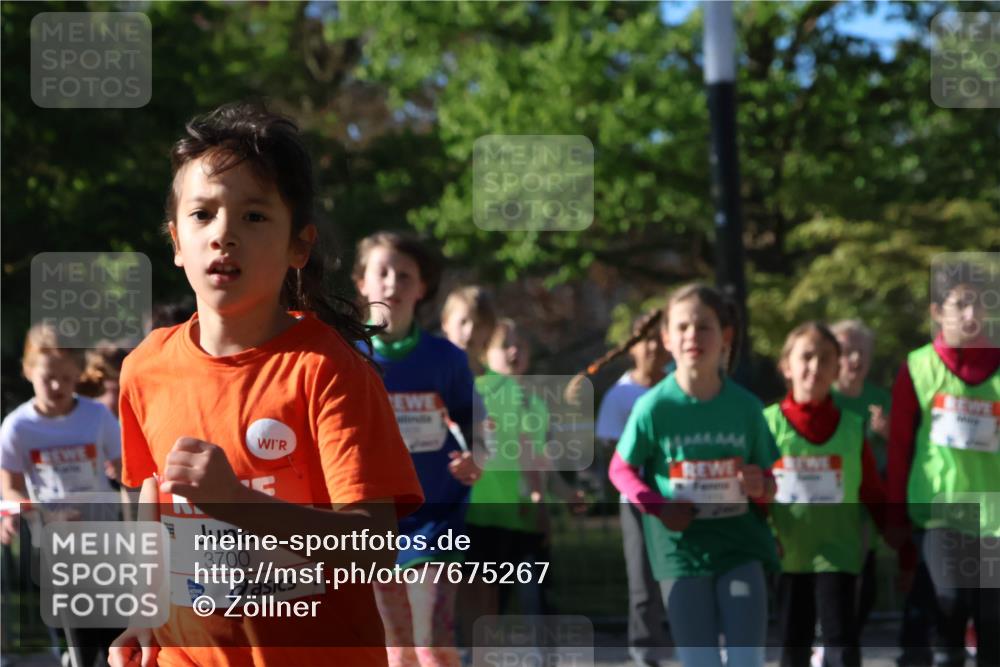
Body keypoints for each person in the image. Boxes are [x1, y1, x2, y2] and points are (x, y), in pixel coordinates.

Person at [108, 102, 424, 667]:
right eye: (202, 215)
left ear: (298, 246)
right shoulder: (144, 368)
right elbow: (151, 496)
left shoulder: (328, 369)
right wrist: (145, 613)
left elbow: (373, 547)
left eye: (254, 217)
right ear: (176, 242)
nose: (224, 234)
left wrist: (236, 503)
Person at [609, 283, 779, 667]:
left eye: (704, 327)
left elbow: (771, 480)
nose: (693, 336)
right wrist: (657, 506)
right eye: (682, 327)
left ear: (726, 336)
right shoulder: (654, 406)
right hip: (680, 552)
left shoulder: (747, 408)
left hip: (739, 547)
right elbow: (620, 469)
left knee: (745, 661)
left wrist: (760, 486)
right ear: (666, 338)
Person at [354, 231, 479, 667]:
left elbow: (474, 419)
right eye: (382, 272)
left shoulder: (446, 358)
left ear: (421, 288)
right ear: (361, 282)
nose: (392, 283)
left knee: (432, 643)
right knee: (397, 650)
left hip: (435, 517)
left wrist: (474, 454)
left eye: (404, 275)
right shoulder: (346, 359)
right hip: (371, 522)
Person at [765, 321, 915, 667]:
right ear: (786, 365)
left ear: (837, 368)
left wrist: (903, 547)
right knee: (793, 643)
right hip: (787, 555)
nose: (815, 367)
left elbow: (873, 493)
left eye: (825, 359)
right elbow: (753, 494)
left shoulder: (850, 426)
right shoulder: (767, 424)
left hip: (840, 554)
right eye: (806, 357)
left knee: (842, 643)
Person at [887, 261, 999, 667]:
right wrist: (895, 516)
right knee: (947, 605)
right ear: (938, 311)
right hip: (940, 513)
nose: (971, 314)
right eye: (960, 304)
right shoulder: (917, 368)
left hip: (994, 517)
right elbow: (899, 447)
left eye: (979, 304)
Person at [0, 323, 124, 667]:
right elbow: (8, 486)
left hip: (107, 540)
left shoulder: (96, 415)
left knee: (118, 635)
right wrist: (22, 512)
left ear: (79, 375)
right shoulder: (17, 427)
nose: (57, 387)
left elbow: (126, 468)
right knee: (80, 638)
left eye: (67, 379)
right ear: (28, 371)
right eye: (48, 378)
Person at [588, 310, 671, 666]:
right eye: (645, 340)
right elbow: (613, 451)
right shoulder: (621, 395)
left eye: (658, 338)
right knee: (643, 582)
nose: (652, 347)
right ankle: (644, 650)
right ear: (632, 348)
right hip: (636, 500)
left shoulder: (679, 387)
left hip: (680, 493)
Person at [828, 320, 894, 648]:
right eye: (847, 351)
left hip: (865, 512)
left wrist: (888, 434)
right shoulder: (822, 396)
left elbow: (908, 450)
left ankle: (843, 643)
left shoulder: (880, 399)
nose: (855, 359)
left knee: (863, 589)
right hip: (826, 512)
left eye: (862, 352)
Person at [440, 286, 497, 376]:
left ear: (489, 330)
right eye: (463, 322)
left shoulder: (502, 386)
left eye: (478, 325)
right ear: (445, 323)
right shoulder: (425, 376)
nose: (469, 331)